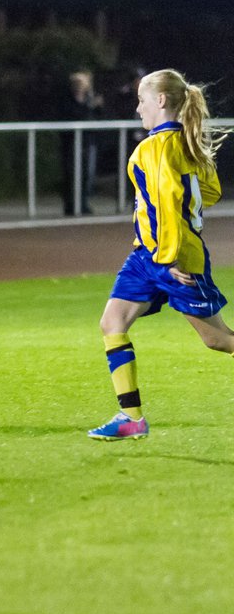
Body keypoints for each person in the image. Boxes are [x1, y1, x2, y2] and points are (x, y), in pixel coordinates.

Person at [90, 69, 232, 440]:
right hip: (146, 256)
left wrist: (168, 258)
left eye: (141, 99)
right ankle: (131, 418)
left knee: (218, 340)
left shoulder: (153, 149)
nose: (137, 108)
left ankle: (131, 418)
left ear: (161, 101)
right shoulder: (188, 145)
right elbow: (210, 193)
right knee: (112, 323)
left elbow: (169, 203)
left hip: (174, 259)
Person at [56, 70, 104, 216]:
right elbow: (73, 115)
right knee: (71, 174)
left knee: (86, 174)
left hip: (87, 142)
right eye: (78, 83)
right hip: (71, 144)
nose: (81, 86)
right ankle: (70, 205)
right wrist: (89, 106)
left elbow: (99, 117)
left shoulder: (90, 99)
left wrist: (98, 106)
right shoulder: (67, 100)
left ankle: (83, 203)